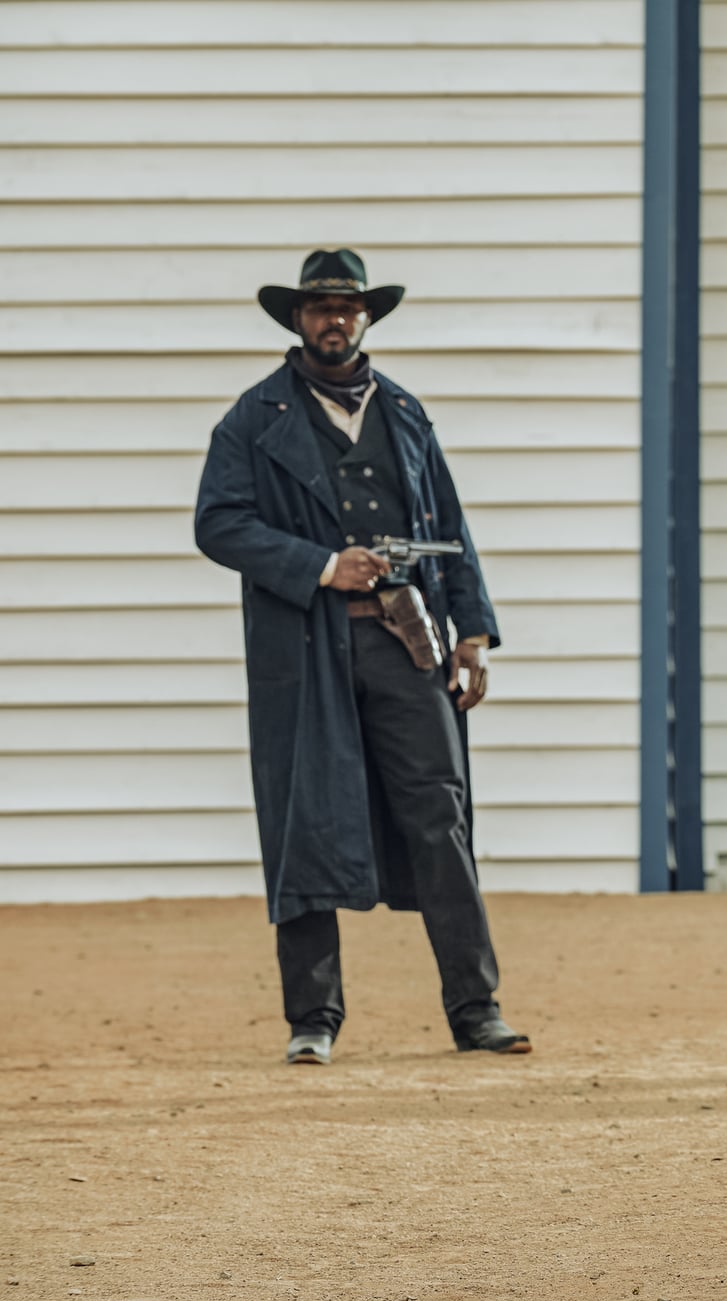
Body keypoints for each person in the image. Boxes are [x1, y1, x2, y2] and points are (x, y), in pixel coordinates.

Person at [195, 249, 529, 1064]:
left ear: (367, 316)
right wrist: (321, 566)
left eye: (346, 306)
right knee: (302, 822)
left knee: (439, 816)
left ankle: (474, 1009)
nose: (333, 319)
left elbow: (451, 526)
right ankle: (312, 1019)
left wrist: (473, 633)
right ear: (297, 319)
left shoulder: (407, 413)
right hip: (305, 648)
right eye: (318, 307)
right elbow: (218, 523)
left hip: (404, 641)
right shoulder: (252, 417)